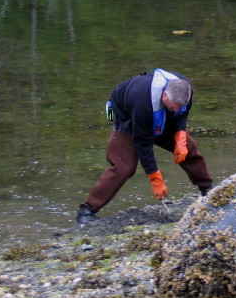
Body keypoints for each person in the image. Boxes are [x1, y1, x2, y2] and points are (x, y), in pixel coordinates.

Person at [76, 68, 213, 223]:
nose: (176, 109)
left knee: (189, 148)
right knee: (123, 167)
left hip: (159, 115)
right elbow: (143, 144)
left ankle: (207, 189)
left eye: (179, 106)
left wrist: (180, 137)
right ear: (164, 95)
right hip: (129, 117)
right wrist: (156, 179)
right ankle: (87, 211)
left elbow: (181, 114)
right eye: (174, 106)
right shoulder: (142, 103)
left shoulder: (184, 89)